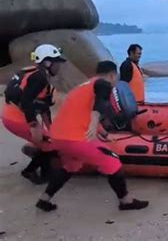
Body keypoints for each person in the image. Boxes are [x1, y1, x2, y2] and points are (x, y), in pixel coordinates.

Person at [35, 61, 149, 212]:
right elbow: (100, 103)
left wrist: (104, 133)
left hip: (58, 136)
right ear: (112, 75)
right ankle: (125, 201)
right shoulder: (103, 84)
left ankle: (44, 200)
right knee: (112, 161)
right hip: (75, 138)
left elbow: (82, 112)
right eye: (116, 77)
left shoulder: (84, 86)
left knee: (71, 166)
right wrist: (95, 122)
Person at [2, 44, 66, 184]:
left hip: (9, 115)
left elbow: (43, 108)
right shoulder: (40, 78)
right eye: (57, 63)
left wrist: (53, 131)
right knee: (49, 144)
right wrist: (33, 124)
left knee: (49, 139)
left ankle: (36, 157)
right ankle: (36, 172)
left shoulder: (33, 73)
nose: (59, 67)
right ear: (47, 62)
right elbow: (26, 100)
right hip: (17, 119)